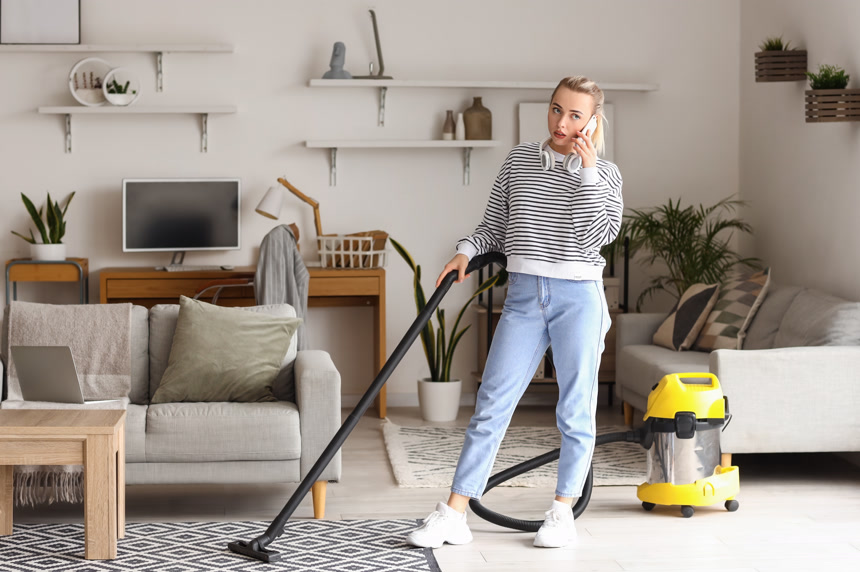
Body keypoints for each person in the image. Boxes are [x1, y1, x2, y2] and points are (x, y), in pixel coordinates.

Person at [406, 76, 623, 549]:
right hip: (524, 296)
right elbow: (494, 228)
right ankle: (454, 513)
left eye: (575, 115)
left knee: (575, 410)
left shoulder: (605, 175)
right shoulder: (520, 161)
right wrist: (466, 251)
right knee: (491, 404)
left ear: (592, 122)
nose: (561, 122)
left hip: (579, 298)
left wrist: (584, 173)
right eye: (556, 109)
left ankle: (562, 512)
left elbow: (599, 236)